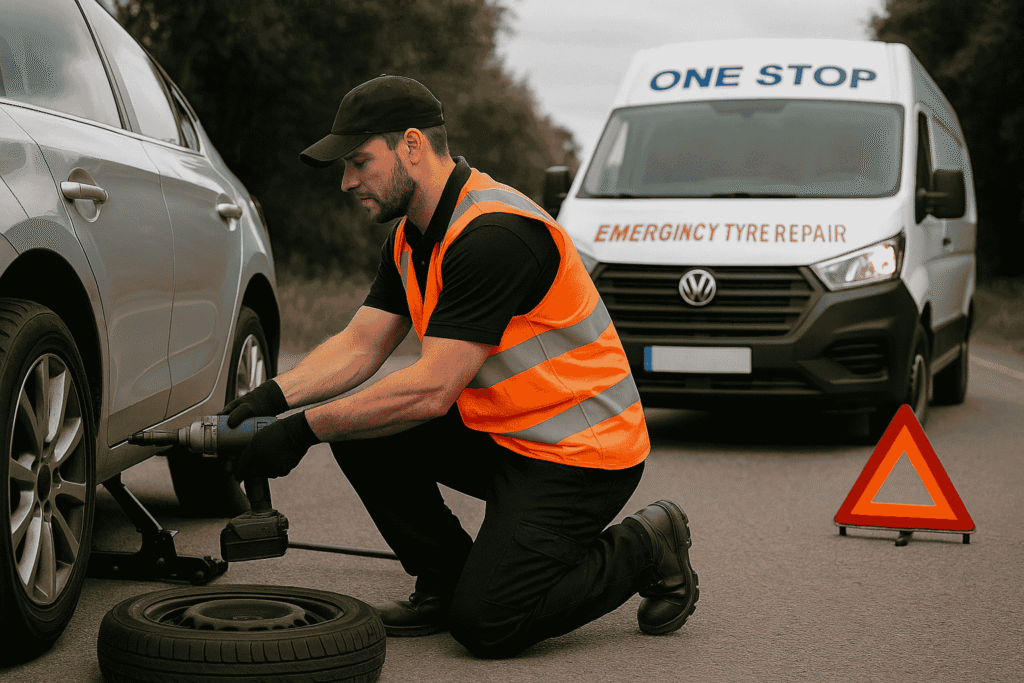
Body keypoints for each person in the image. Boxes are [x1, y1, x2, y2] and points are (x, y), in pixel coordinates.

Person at [221, 74, 699, 658]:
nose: (348, 181)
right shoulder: (412, 238)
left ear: (413, 146)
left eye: (359, 162)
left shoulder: (494, 234)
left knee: (489, 625)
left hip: (578, 454)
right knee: (362, 429)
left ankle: (648, 543)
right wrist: (269, 399)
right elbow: (360, 346)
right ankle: (445, 579)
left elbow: (431, 391)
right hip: (503, 431)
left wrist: (303, 429)